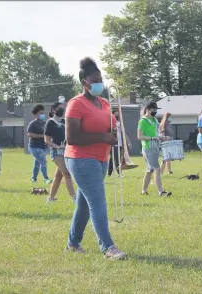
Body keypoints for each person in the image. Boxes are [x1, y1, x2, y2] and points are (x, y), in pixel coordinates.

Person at [64, 57, 126, 260]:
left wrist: (114, 136)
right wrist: (102, 137)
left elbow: (110, 125)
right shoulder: (76, 104)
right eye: (96, 80)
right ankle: (108, 247)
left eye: (101, 79)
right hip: (81, 159)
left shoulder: (104, 102)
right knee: (98, 202)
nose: (100, 83)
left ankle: (73, 243)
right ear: (85, 83)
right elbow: (71, 138)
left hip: (101, 158)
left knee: (84, 204)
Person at [138, 101, 172, 197]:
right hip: (148, 148)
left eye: (156, 110)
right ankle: (161, 192)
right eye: (153, 110)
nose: (155, 111)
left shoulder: (154, 120)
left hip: (155, 147)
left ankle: (143, 191)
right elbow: (140, 136)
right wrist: (152, 138)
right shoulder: (143, 121)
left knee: (149, 170)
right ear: (148, 110)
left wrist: (163, 137)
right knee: (157, 169)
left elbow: (157, 134)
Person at [44, 102, 76, 203]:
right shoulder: (50, 122)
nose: (63, 109)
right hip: (56, 152)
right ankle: (74, 198)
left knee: (58, 176)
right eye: (60, 108)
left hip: (65, 152)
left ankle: (51, 198)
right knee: (67, 174)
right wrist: (58, 146)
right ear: (53, 110)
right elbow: (47, 140)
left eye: (63, 107)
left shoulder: (63, 122)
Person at [27, 104, 52, 184]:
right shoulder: (33, 123)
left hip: (43, 146)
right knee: (43, 161)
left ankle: (33, 179)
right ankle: (46, 179)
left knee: (37, 163)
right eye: (41, 113)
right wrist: (41, 136)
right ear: (36, 114)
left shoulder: (45, 123)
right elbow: (29, 134)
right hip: (34, 146)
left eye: (43, 113)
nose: (42, 115)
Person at [108, 109, 131, 177]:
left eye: (118, 114)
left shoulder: (120, 123)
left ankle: (109, 173)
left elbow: (124, 133)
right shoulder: (111, 123)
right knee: (117, 158)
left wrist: (128, 141)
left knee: (113, 158)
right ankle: (120, 173)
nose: (117, 116)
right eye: (116, 114)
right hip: (114, 143)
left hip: (120, 143)